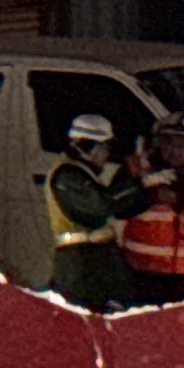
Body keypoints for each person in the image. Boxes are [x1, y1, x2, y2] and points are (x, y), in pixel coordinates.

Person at [118, 118, 184, 307]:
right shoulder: (137, 170)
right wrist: (151, 195)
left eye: (181, 143)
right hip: (142, 277)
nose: (174, 150)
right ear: (157, 142)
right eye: (167, 142)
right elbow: (118, 207)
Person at [44, 112, 136, 312]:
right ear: (90, 148)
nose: (106, 155)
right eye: (105, 148)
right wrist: (138, 182)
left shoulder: (82, 174)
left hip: (93, 262)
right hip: (79, 265)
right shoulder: (68, 176)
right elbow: (101, 205)